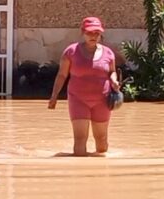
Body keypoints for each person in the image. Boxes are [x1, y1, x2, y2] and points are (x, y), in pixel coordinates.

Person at [48, 17, 120, 156]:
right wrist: (54, 96)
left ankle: (100, 174)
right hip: (78, 100)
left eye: (96, 33)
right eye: (89, 33)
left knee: (102, 141)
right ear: (82, 32)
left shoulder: (108, 53)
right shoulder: (71, 52)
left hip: (102, 100)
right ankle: (79, 173)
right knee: (80, 139)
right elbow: (62, 75)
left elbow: (112, 72)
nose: (93, 36)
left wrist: (114, 81)